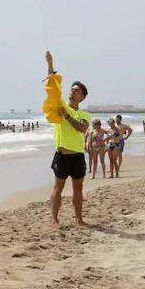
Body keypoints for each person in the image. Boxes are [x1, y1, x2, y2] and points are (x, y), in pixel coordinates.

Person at [42, 51, 90, 226]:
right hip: (62, 154)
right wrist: (50, 63)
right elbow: (53, 86)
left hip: (77, 155)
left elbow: (82, 128)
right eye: (72, 88)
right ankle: (55, 219)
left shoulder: (84, 114)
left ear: (82, 96)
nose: (72, 91)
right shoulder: (61, 105)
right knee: (58, 188)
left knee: (78, 188)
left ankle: (79, 219)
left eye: (76, 90)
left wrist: (68, 117)